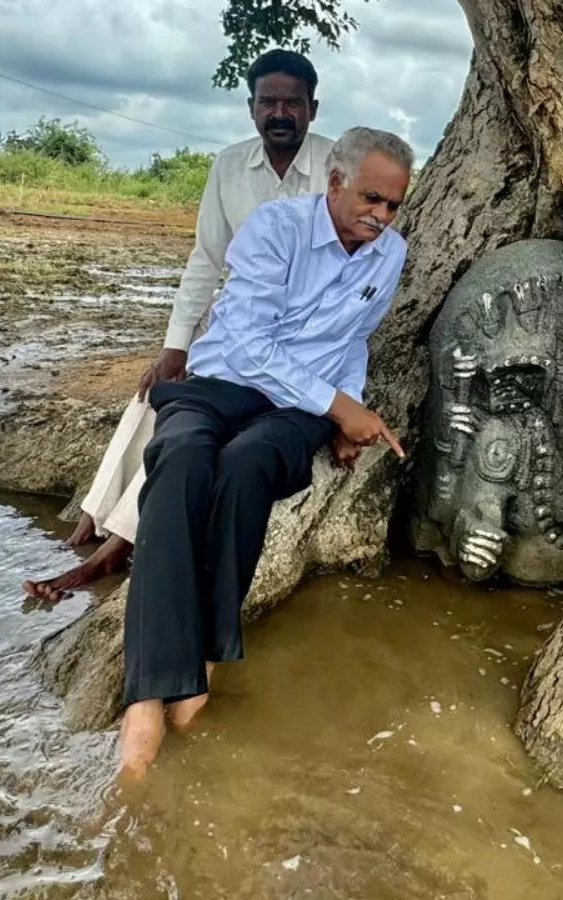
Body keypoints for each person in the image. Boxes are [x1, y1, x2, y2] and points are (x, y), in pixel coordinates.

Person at [116, 126, 413, 778]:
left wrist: (342, 413)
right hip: (219, 383)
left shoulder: (389, 254)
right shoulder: (275, 229)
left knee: (249, 467)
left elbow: (354, 340)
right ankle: (146, 698)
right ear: (333, 183)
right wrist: (342, 408)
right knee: (180, 466)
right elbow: (248, 345)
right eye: (371, 199)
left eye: (394, 205)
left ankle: (205, 664)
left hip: (293, 411)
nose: (382, 217)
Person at [22, 48, 336, 600]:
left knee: (190, 431)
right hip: (234, 326)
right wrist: (176, 344)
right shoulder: (229, 166)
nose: (280, 112)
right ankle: (93, 518)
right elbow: (205, 261)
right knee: (157, 390)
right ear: (251, 108)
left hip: (295, 341)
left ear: (313, 107)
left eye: (292, 102)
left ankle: (111, 550)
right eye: (269, 102)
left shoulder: (338, 169)